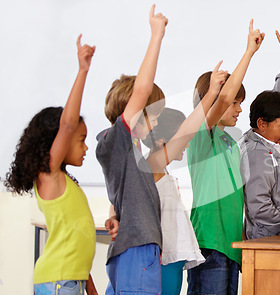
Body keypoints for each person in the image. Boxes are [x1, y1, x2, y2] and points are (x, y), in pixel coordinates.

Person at [5, 35, 97, 295]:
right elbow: (67, 123)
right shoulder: (48, 174)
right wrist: (83, 71)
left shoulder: (66, 184)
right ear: (58, 140)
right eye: (80, 140)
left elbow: (76, 241)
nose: (86, 147)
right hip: (59, 281)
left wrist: (90, 288)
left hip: (70, 279)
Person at [186, 19, 264, 295]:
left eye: (241, 102)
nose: (239, 109)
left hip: (231, 247)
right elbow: (220, 100)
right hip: (209, 244)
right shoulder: (199, 135)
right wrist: (248, 53)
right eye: (235, 102)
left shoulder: (231, 143)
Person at [95, 5, 168, 294]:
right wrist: (157, 35)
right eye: (154, 111)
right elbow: (141, 91)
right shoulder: (116, 141)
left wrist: (114, 214)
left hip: (141, 248)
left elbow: (123, 191)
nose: (158, 118)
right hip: (136, 250)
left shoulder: (132, 150)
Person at [144, 62, 228, 295]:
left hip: (174, 259)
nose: (187, 142)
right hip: (162, 260)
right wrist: (211, 93)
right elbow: (188, 131)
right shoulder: (152, 165)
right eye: (179, 137)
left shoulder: (164, 172)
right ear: (162, 142)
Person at [239, 31, 280, 240]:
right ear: (262, 124)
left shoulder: (268, 135)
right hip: (268, 238)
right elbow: (259, 205)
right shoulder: (256, 152)